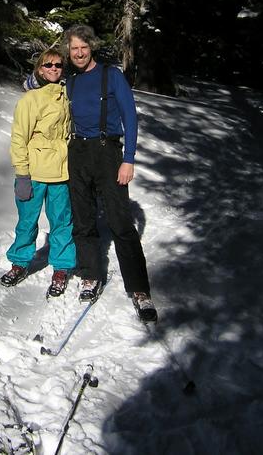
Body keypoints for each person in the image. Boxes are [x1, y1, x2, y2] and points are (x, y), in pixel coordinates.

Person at [63, 24, 157, 322]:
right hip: (78, 152)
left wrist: (128, 159)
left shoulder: (111, 75)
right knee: (83, 218)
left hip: (108, 152)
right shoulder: (70, 80)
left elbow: (130, 116)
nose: (79, 53)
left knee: (120, 221)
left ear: (91, 47)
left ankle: (139, 290)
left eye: (83, 47)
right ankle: (90, 275)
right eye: (74, 48)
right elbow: (39, 79)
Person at [0, 47, 77, 298]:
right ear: (40, 70)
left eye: (58, 65)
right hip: (34, 172)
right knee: (27, 221)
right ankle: (20, 262)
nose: (54, 69)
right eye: (48, 65)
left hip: (61, 173)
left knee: (62, 222)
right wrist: (22, 174)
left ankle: (62, 267)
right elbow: (19, 139)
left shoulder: (67, 95)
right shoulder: (30, 99)